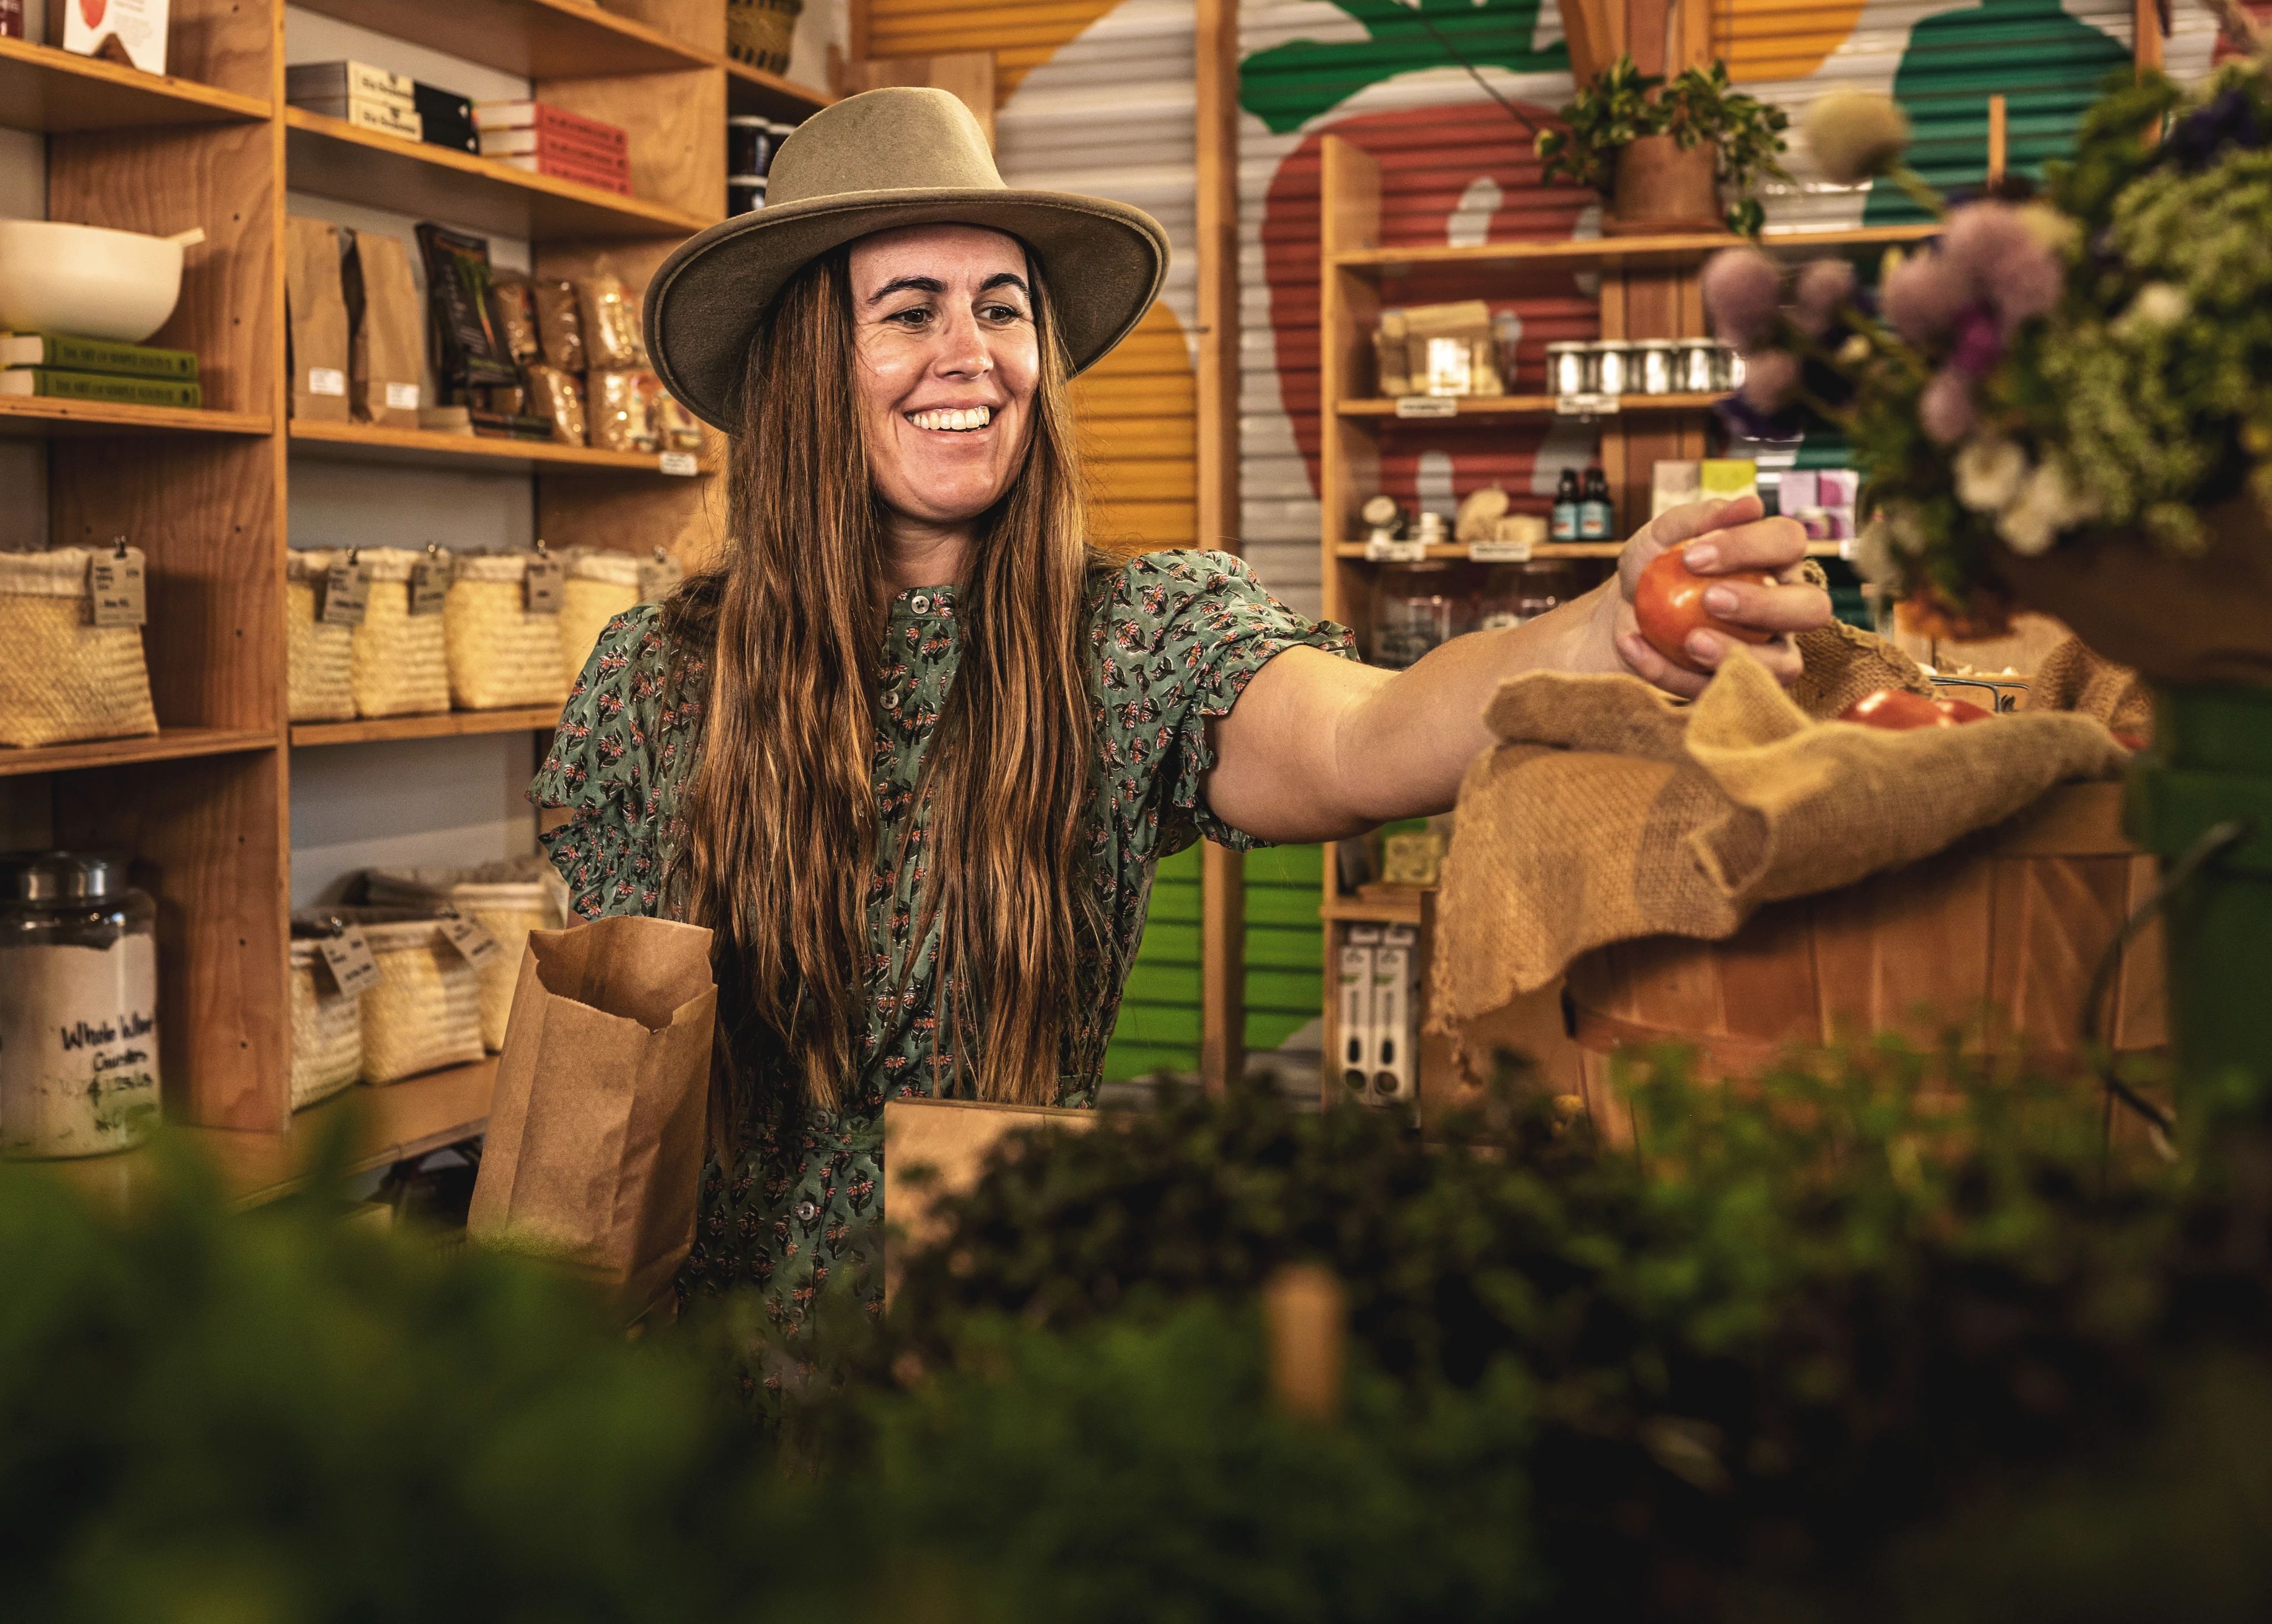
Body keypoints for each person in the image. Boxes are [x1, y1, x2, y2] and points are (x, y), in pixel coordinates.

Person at [535, 88, 1829, 1332]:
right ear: (808, 360)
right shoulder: (656, 681)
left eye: (1003, 307)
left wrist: (1600, 630)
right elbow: (610, 1074)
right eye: (909, 311)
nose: (972, 356)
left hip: (977, 1363)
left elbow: (1360, 735)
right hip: (684, 1405)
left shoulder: (1126, 641)